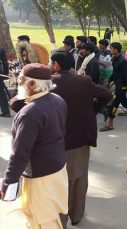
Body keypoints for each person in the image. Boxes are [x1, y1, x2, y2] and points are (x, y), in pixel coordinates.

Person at [0, 63, 68, 228]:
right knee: (55, 214)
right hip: (58, 168)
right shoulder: (57, 99)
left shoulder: (29, 113)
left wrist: (7, 182)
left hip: (40, 177)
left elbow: (20, 154)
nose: (18, 82)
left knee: (42, 220)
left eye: (21, 79)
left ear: (31, 84)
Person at [50, 50, 112, 227]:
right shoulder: (83, 81)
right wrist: (92, 110)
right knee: (78, 178)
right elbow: (107, 95)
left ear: (56, 65)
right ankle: (76, 215)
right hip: (81, 138)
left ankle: (59, 220)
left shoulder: (49, 83)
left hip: (55, 140)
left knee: (58, 182)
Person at [0, 46, 11, 117]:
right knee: (1, 92)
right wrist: (6, 73)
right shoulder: (1, 49)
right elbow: (4, 62)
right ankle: (6, 111)